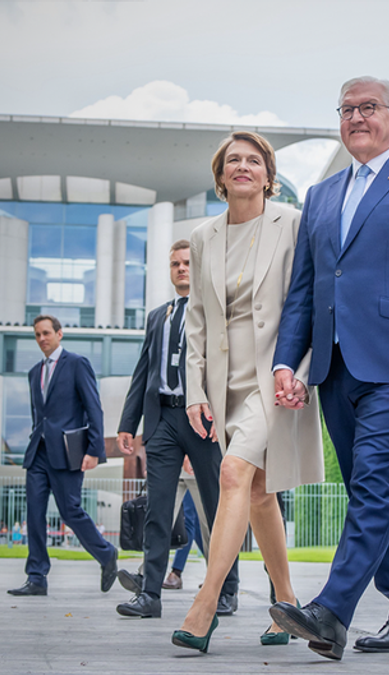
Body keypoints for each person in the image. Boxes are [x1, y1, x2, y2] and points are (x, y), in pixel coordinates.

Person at [270, 76, 389, 661]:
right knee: (367, 490)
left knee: (374, 485)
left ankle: (331, 612)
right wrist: (287, 361)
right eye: (346, 109)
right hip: (334, 367)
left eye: (369, 107)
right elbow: (306, 288)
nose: (356, 117)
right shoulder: (321, 195)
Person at [171, 130, 324, 653]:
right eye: (232, 160)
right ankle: (285, 605)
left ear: (268, 173)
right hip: (222, 382)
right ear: (220, 176)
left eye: (253, 160)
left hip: (273, 377)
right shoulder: (203, 235)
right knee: (259, 494)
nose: (243, 167)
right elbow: (196, 322)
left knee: (235, 474)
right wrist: (195, 390)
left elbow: (310, 302)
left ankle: (205, 603)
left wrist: (300, 371)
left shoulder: (294, 224)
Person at [112, 240, 239, 620]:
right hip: (162, 420)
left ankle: (227, 590)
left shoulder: (216, 311)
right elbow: (142, 373)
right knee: (157, 509)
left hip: (203, 420)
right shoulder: (157, 316)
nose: (181, 269)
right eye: (175, 264)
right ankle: (149, 594)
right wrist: (127, 424)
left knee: (217, 508)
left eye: (187, 263)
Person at [8, 314, 119, 597]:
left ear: (59, 334)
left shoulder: (77, 364)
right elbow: (39, 415)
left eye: (46, 333)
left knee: (70, 511)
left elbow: (94, 409)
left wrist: (94, 450)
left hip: (67, 453)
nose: (42, 339)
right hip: (38, 454)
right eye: (37, 335)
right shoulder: (34, 372)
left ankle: (106, 554)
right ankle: (36, 577)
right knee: (34, 513)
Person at [164, 489, 205, 591]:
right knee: (195, 525)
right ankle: (221, 572)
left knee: (188, 519)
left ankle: (176, 572)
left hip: (191, 475)